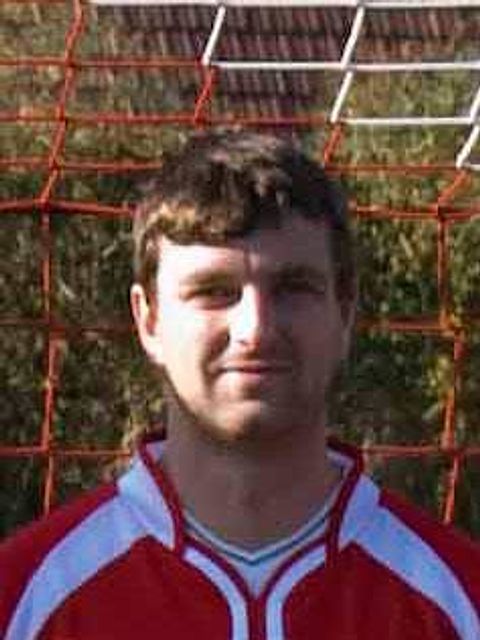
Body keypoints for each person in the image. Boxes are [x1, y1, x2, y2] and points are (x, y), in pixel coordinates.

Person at [0, 129, 479, 640]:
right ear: (148, 320)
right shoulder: (22, 598)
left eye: (294, 288)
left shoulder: (461, 599)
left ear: (345, 313)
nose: (256, 330)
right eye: (213, 291)